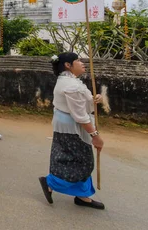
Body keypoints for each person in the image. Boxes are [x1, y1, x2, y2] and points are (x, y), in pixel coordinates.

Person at [39, 52, 106, 210]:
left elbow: (82, 105)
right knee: (82, 162)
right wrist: (95, 135)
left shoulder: (70, 81)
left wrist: (94, 99)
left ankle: (82, 196)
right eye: (77, 60)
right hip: (71, 129)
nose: (82, 62)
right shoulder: (70, 85)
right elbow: (80, 116)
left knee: (77, 160)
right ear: (68, 65)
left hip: (67, 126)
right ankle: (50, 183)